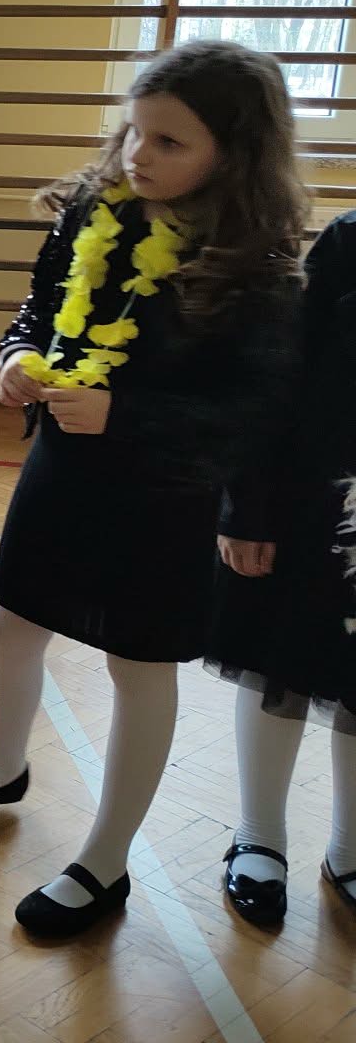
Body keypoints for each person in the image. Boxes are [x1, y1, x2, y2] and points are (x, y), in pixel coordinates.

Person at [0, 40, 306, 939]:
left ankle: (106, 860)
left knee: (139, 668)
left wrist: (122, 414)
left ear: (233, 155)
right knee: (11, 623)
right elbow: (40, 306)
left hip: (164, 492)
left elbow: (249, 415)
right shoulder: (96, 210)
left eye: (169, 142)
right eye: (133, 131)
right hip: (65, 465)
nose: (138, 154)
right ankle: (4, 766)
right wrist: (17, 354)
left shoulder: (256, 265)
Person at [204, 208, 356, 928]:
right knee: (279, 663)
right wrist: (247, 507)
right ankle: (259, 835)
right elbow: (274, 382)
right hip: (311, 504)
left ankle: (350, 847)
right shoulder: (347, 242)